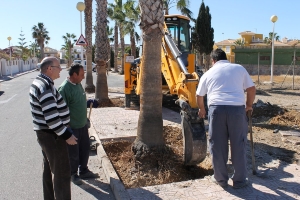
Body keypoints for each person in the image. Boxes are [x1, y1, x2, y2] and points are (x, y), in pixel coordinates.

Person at [196, 48, 256, 189]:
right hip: (237, 110)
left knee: (217, 145)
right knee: (239, 144)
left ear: (213, 60)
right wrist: (248, 105)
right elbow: (251, 89)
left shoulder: (208, 73)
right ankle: (240, 181)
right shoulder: (239, 68)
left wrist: (202, 109)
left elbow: (199, 96)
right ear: (226, 58)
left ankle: (220, 179)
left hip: (216, 110)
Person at [29, 57, 78, 200]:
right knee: (62, 173)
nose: (61, 70)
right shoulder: (45, 87)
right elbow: (52, 118)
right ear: (49, 69)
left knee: (49, 170)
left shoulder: (43, 83)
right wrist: (67, 135)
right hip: (52, 136)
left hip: (47, 134)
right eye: (58, 67)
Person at [58, 63, 99, 185]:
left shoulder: (78, 84)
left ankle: (84, 171)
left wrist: (88, 103)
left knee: (84, 150)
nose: (83, 77)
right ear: (74, 74)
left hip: (82, 125)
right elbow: (60, 110)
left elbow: (78, 100)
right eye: (81, 74)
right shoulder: (64, 89)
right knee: (73, 153)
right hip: (72, 128)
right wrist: (67, 130)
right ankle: (73, 174)